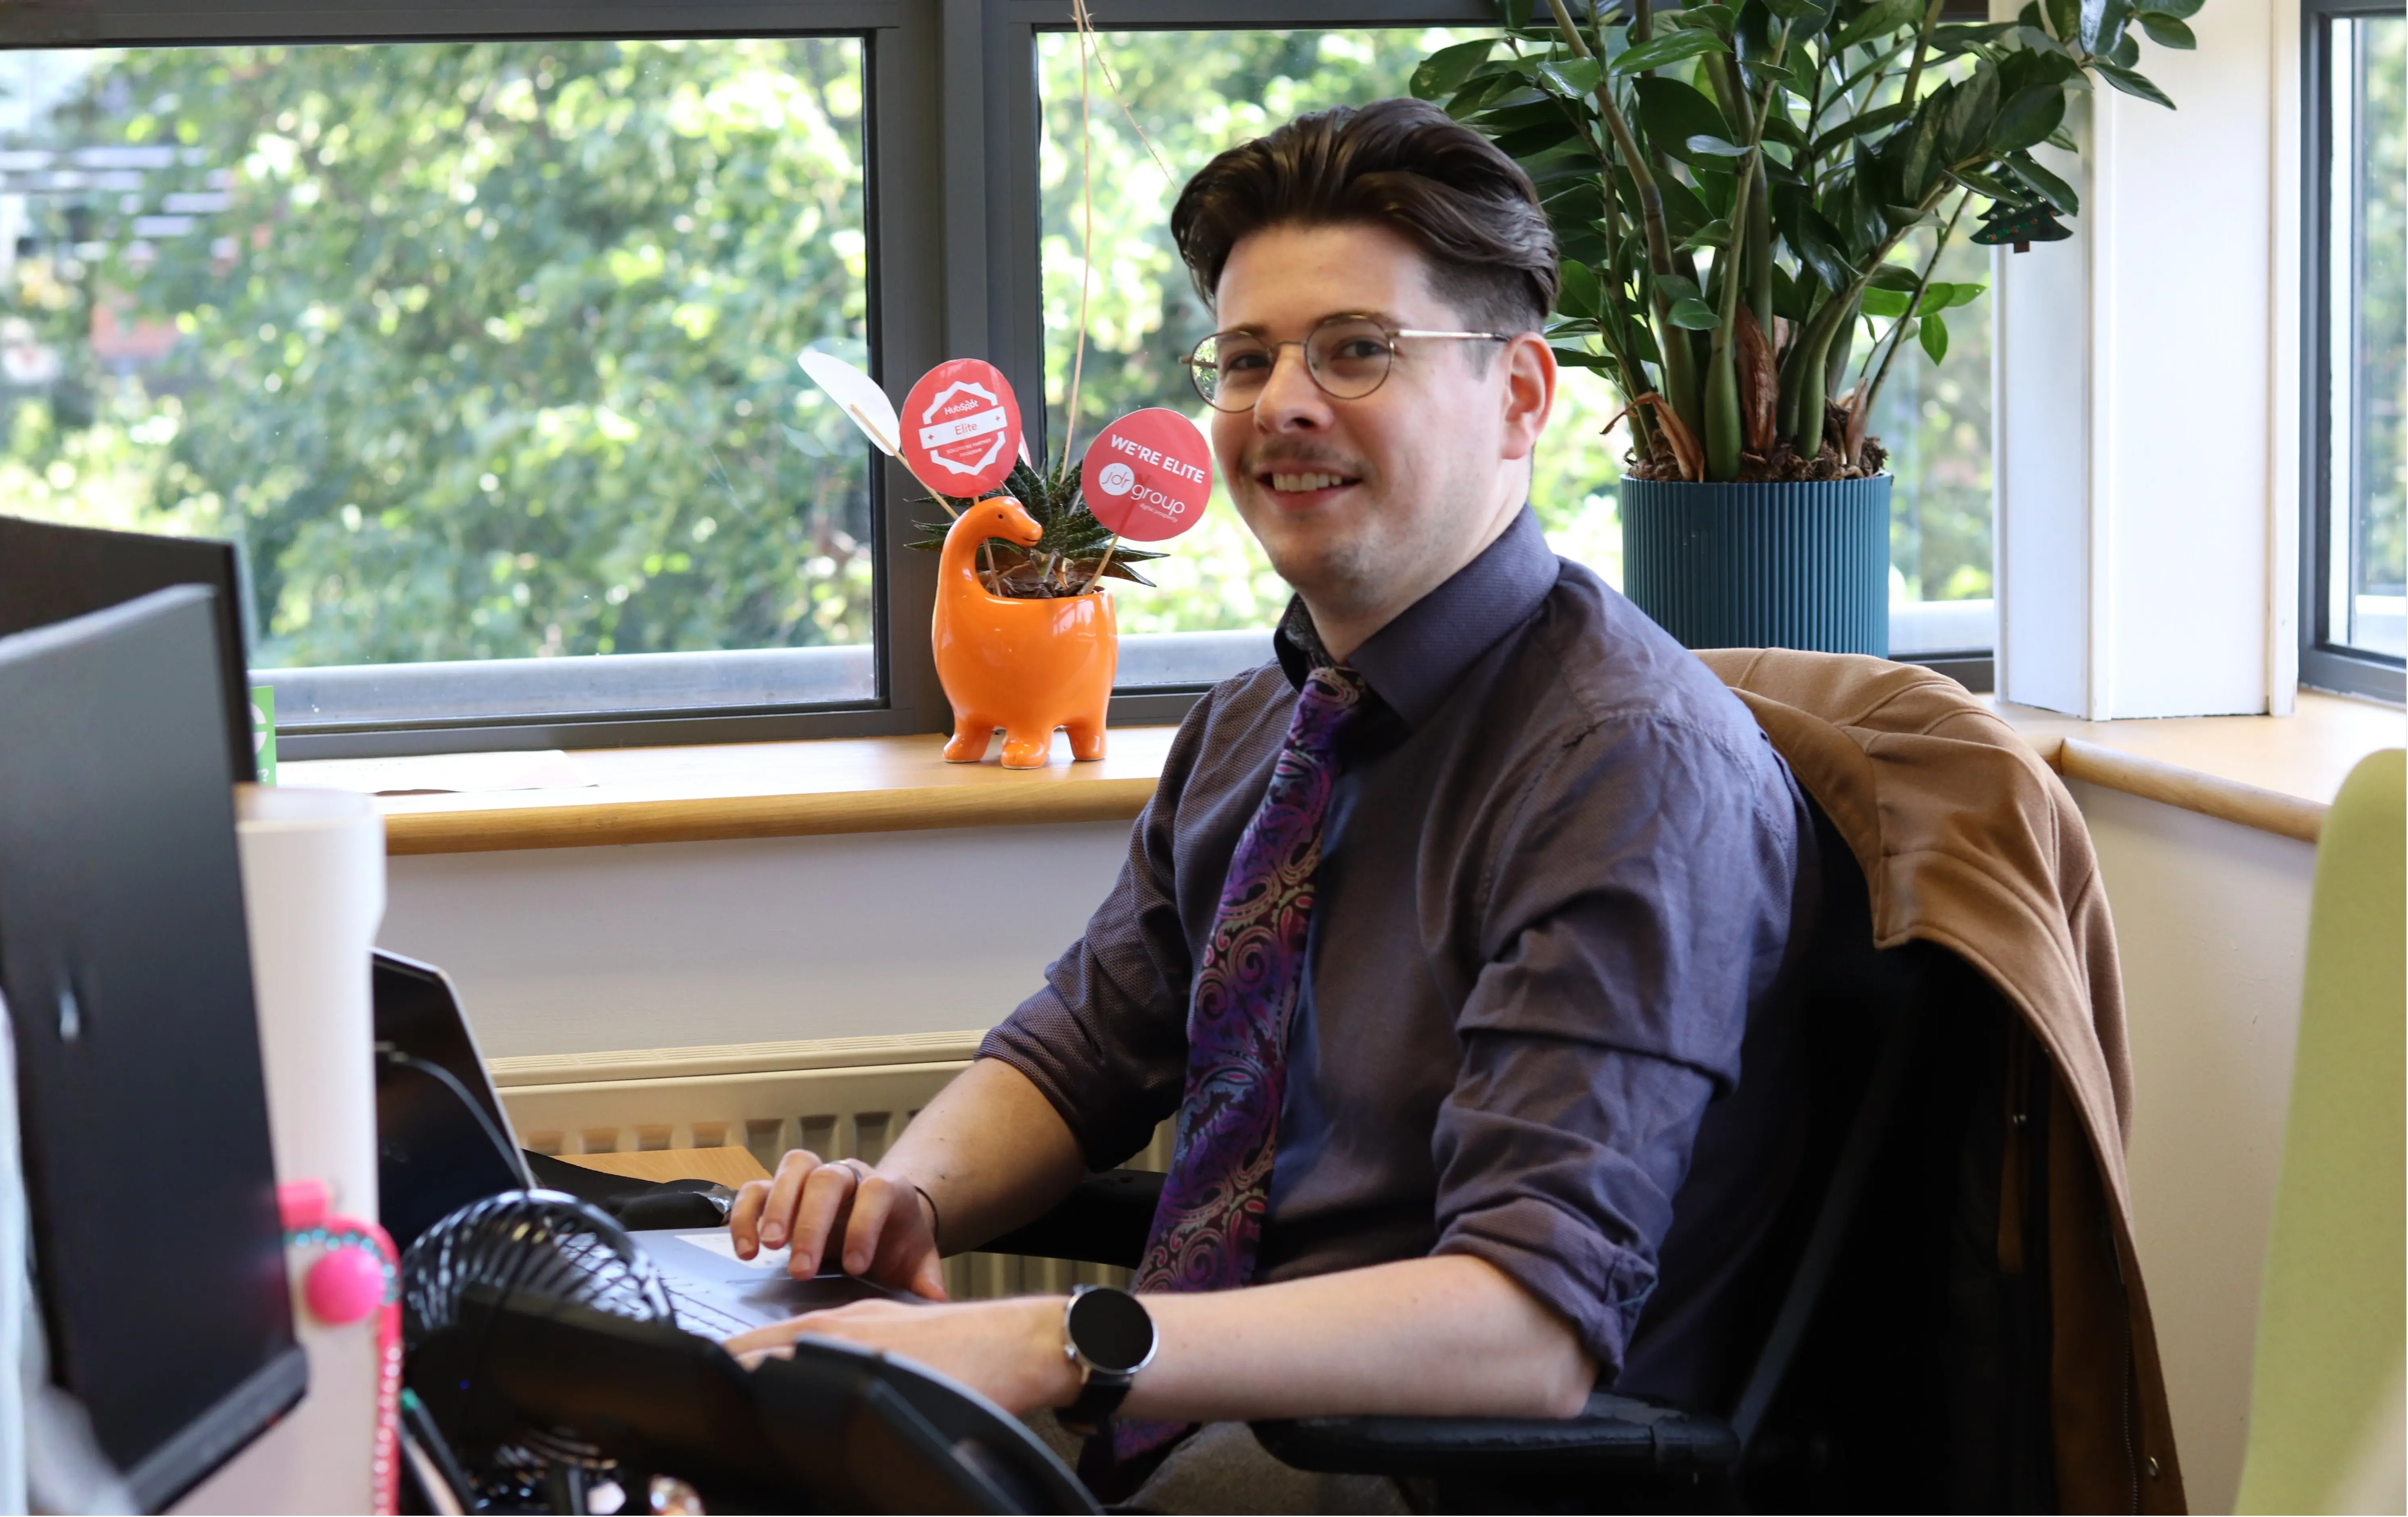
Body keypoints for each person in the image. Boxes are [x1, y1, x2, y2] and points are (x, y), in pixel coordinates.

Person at [724, 97, 1818, 1508]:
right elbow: (1077, 1051)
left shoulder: (1626, 763)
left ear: (1522, 396)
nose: (1284, 403)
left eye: (1357, 350)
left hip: (1431, 1474)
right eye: (1247, 360)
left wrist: (1050, 1343)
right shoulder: (1266, 720)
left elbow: (1528, 1325)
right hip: (1224, 1414)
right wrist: (904, 1196)